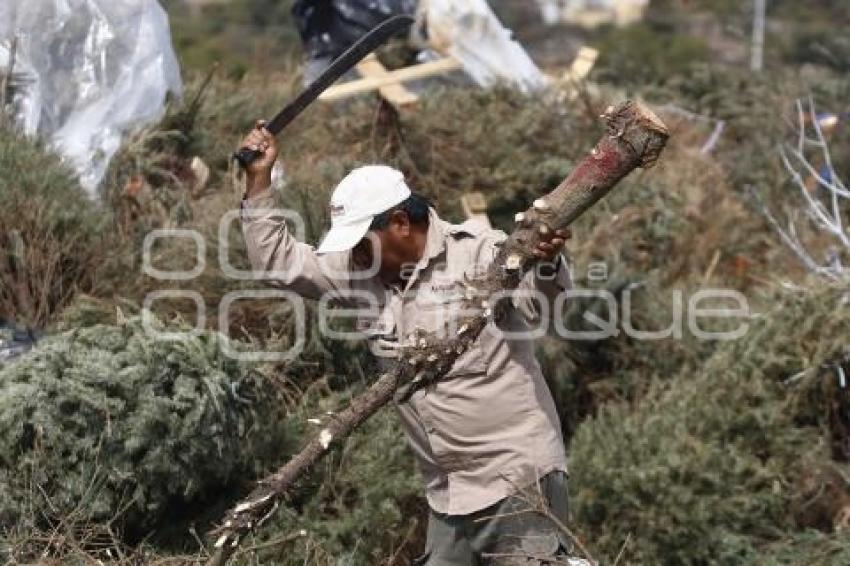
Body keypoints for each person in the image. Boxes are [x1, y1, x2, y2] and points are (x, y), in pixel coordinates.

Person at [238, 121, 582, 565]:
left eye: (363, 245)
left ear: (400, 223)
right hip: (448, 495)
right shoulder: (359, 274)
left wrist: (548, 263)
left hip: (519, 480)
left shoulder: (481, 253)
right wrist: (259, 179)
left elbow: (544, 309)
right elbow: (278, 263)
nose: (356, 257)